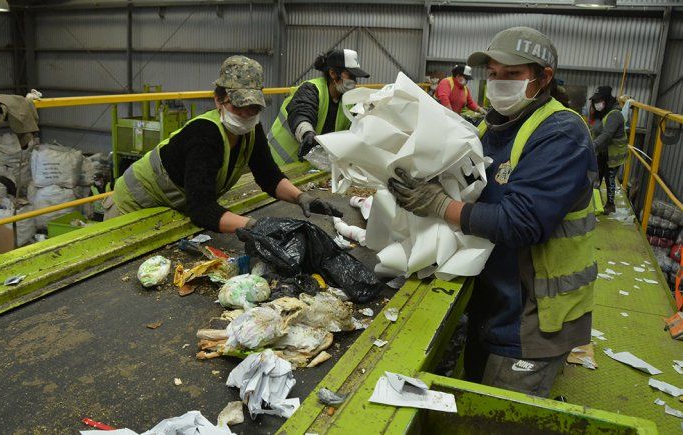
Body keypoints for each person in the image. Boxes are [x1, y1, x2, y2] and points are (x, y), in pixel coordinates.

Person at [388, 27, 596, 398]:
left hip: (531, 318)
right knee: (472, 396)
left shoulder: (561, 133)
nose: (499, 83)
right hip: (493, 303)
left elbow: (520, 222)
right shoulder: (491, 125)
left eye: (512, 75)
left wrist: (439, 205)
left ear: (543, 77)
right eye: (494, 74)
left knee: (499, 414)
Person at [104, 55, 342, 232]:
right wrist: (254, 226)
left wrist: (301, 198)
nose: (247, 114)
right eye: (239, 106)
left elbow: (268, 176)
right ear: (218, 100)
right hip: (131, 204)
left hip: (170, 205)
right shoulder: (204, 136)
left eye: (253, 107)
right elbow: (201, 209)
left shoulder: (250, 129)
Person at [268, 49, 369, 165]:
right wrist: (307, 134)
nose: (354, 82)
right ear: (333, 73)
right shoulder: (311, 89)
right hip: (277, 163)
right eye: (350, 75)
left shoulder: (349, 102)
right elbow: (301, 112)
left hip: (307, 167)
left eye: (355, 77)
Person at [590, 85, 628, 214]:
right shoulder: (605, 112)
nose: (596, 104)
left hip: (613, 154)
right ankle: (593, 200)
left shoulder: (615, 114)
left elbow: (606, 134)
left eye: (598, 101)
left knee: (609, 178)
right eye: (594, 101)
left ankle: (611, 205)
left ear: (606, 100)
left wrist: (592, 145)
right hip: (604, 151)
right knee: (598, 175)